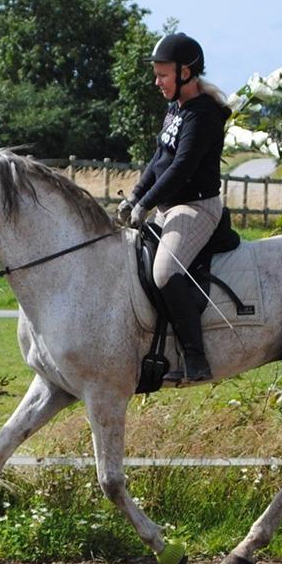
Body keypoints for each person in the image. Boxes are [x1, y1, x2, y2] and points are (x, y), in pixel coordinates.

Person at [118, 32, 230, 384]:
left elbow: (182, 167)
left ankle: (196, 358)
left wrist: (148, 205)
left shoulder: (205, 114)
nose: (157, 81)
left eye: (163, 74)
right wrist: (136, 196)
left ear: (186, 73)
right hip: (168, 206)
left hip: (196, 208)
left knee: (164, 272)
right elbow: (160, 158)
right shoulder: (176, 109)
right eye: (157, 74)